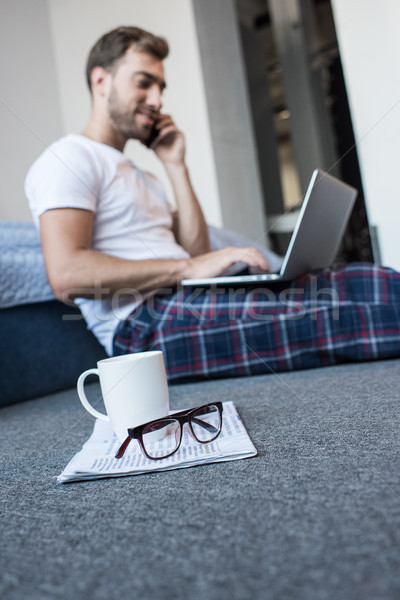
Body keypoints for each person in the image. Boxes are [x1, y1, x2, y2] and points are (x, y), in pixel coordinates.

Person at [25, 26, 400, 383]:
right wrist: (185, 267)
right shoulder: (69, 158)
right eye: (143, 82)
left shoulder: (142, 175)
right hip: (143, 328)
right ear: (101, 81)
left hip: (187, 298)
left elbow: (199, 255)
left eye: (160, 87)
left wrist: (175, 165)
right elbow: (67, 275)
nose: (157, 100)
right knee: (340, 311)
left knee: (363, 279)